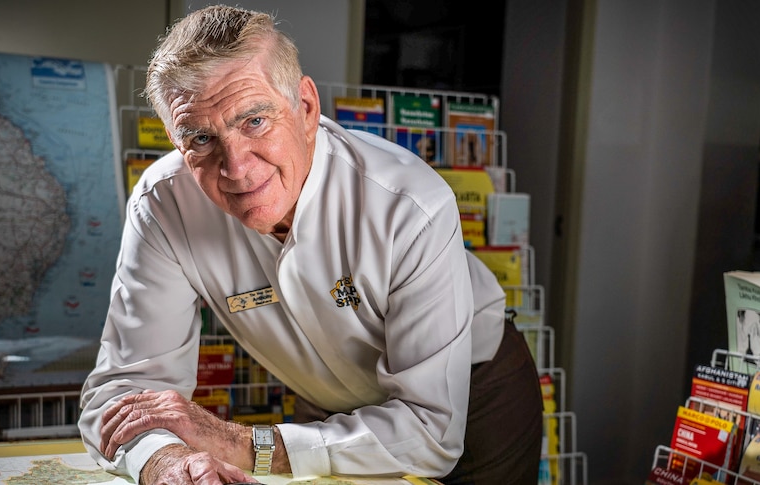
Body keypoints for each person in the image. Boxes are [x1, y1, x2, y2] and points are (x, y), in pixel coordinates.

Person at [78, 5, 543, 484]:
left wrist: (237, 443)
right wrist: (166, 461)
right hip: (326, 402)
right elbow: (125, 393)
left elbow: (431, 434)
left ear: (305, 108)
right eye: (200, 137)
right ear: (177, 142)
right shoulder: (163, 205)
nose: (236, 168)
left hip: (474, 392)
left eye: (254, 120)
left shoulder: (408, 203)